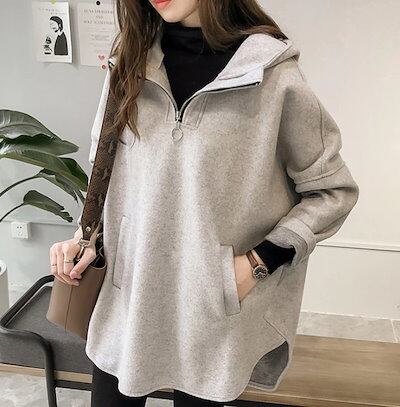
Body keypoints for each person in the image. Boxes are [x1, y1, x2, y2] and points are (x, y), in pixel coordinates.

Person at [49, 0, 359, 406]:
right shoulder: (128, 60)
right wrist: (86, 237)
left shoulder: (272, 76)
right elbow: (110, 173)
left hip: (211, 314)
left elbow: (332, 191)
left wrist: (256, 264)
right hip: (127, 300)